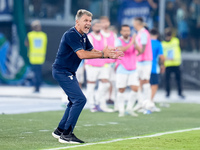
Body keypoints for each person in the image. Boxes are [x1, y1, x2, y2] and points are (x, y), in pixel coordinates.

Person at [51, 9, 123, 144]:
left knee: (74, 100)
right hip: (62, 71)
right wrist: (103, 54)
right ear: (77, 21)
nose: (88, 23)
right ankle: (66, 135)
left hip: (69, 72)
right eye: (85, 20)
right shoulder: (71, 35)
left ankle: (60, 130)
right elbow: (82, 55)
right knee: (80, 100)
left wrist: (107, 54)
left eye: (90, 21)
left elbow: (91, 50)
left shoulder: (83, 36)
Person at [85, 19, 112, 112]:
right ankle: (92, 104)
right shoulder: (90, 37)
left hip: (102, 64)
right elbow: (91, 50)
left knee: (106, 84)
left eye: (100, 26)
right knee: (91, 85)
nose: (99, 28)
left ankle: (97, 100)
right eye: (97, 26)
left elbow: (105, 49)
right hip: (92, 64)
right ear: (93, 27)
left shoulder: (103, 37)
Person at [115, 25, 142, 117]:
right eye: (124, 31)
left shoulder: (133, 40)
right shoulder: (118, 40)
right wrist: (132, 42)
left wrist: (135, 43)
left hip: (133, 67)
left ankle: (129, 108)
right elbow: (122, 49)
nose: (126, 32)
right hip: (122, 67)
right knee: (121, 89)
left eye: (128, 31)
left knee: (135, 88)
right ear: (121, 32)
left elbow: (140, 51)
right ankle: (121, 110)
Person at [132, 17, 153, 112]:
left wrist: (134, 55)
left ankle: (147, 103)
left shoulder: (144, 33)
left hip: (145, 61)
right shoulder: (139, 33)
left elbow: (143, 49)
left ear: (138, 24)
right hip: (140, 61)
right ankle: (141, 103)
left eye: (134, 24)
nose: (133, 25)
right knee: (138, 81)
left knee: (145, 80)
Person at [99, 16, 117, 108]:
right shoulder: (98, 34)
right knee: (104, 81)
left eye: (106, 22)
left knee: (112, 81)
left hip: (112, 61)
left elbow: (116, 47)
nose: (104, 24)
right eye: (102, 22)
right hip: (102, 62)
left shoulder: (112, 35)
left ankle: (110, 97)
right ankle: (101, 99)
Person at [25, 20, 47, 93]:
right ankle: (38, 86)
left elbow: (26, 44)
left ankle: (36, 87)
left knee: (35, 73)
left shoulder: (30, 35)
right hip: (41, 57)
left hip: (33, 57)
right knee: (39, 73)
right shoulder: (43, 35)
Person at [162, 28, 184, 99]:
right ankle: (167, 93)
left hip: (176, 63)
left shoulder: (175, 41)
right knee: (167, 80)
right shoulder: (163, 44)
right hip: (168, 64)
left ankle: (180, 93)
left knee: (178, 80)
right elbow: (161, 55)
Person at [149, 28, 165, 112]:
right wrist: (163, 65)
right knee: (154, 85)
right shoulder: (158, 43)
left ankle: (142, 102)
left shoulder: (146, 43)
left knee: (144, 85)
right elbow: (161, 57)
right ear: (157, 35)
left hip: (143, 67)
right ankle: (150, 102)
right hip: (153, 67)